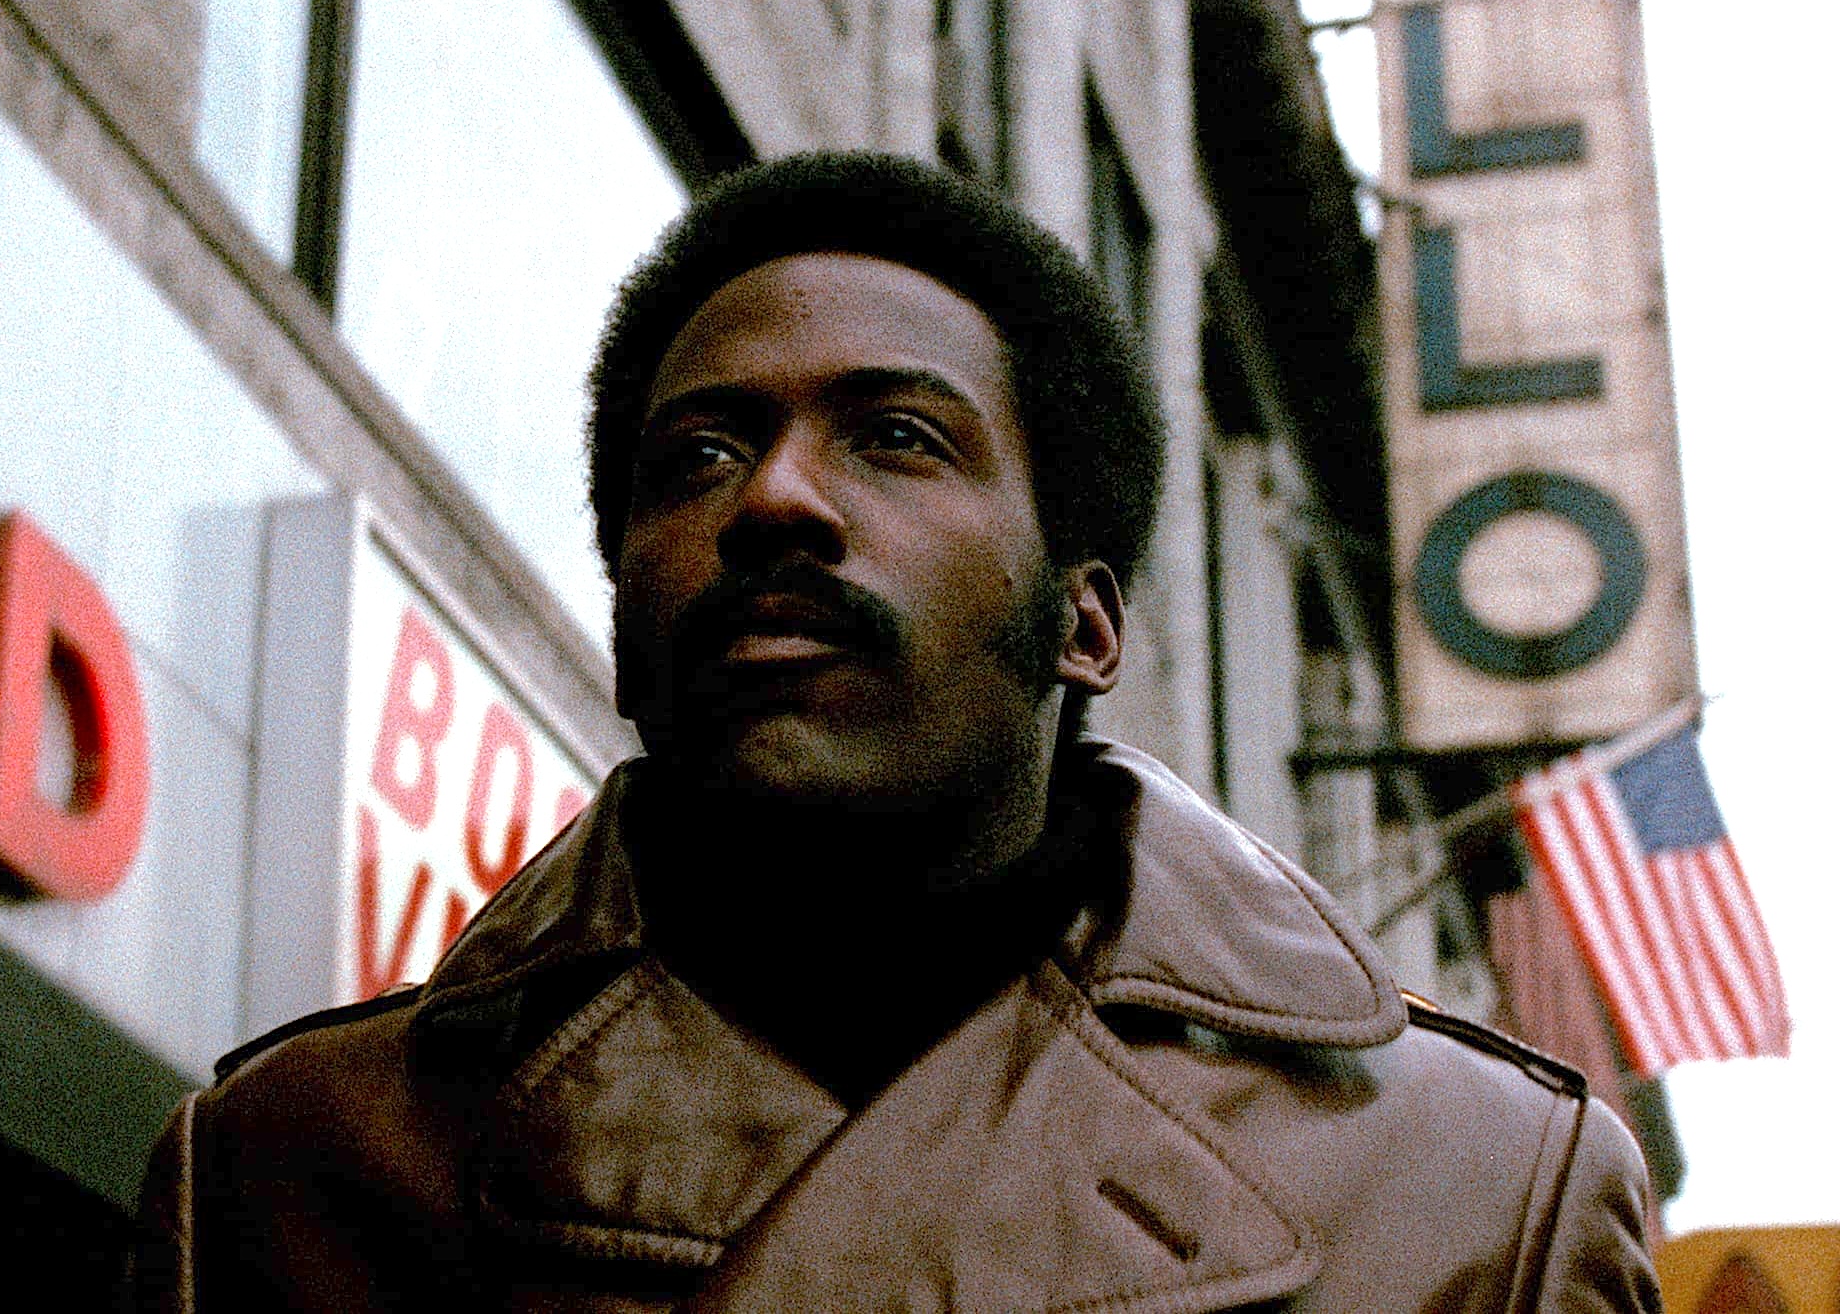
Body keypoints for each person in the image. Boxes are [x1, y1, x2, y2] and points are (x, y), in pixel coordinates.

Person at [132, 152, 1659, 1310]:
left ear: (1085, 625)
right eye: (701, 452)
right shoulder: (284, 1172)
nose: (775, 498)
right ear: (621, 633)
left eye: (897, 435)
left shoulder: (1484, 1196)